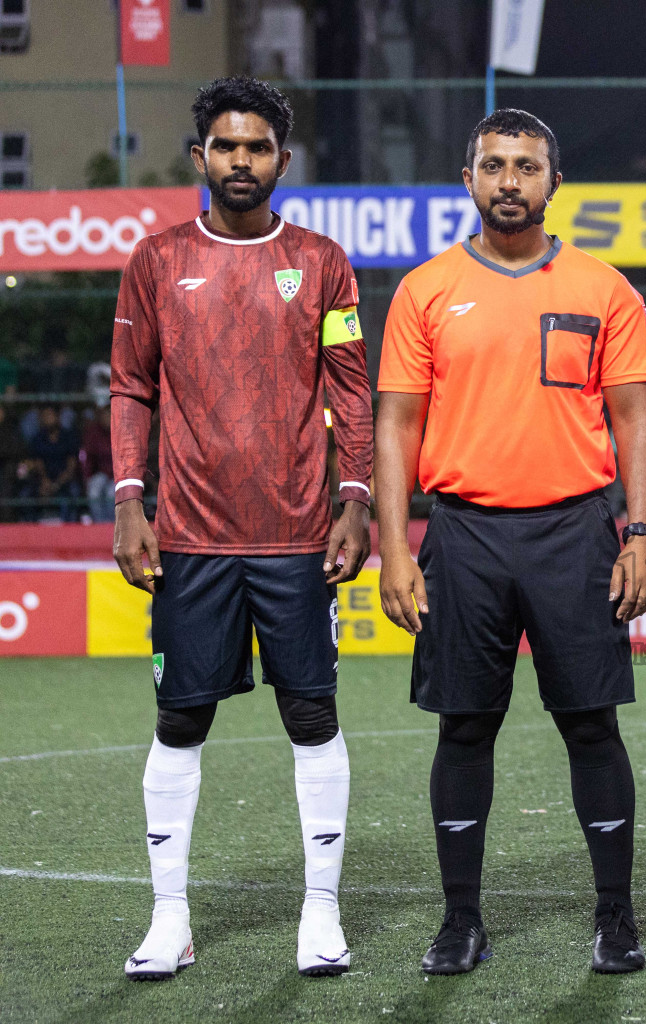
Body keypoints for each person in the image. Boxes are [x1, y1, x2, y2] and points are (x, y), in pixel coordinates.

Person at [376, 108, 646, 977]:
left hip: (575, 531)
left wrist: (641, 532)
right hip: (463, 535)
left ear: (553, 181)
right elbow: (395, 424)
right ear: (469, 180)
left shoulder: (604, 289)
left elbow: (635, 420)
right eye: (494, 165)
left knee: (590, 725)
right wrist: (395, 547)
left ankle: (615, 914)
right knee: (464, 727)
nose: (510, 180)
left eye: (527, 166)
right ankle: (461, 919)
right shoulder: (425, 291)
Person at [111, 76, 373, 980]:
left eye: (257, 147)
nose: (241, 162)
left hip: (297, 534)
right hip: (187, 537)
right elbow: (132, 387)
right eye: (226, 147)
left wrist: (356, 499)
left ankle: (321, 913)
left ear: (282, 161)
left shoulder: (324, 262)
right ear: (200, 158)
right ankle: (169, 919)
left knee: (312, 713)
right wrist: (128, 501)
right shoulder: (154, 261)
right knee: (179, 719)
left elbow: (349, 388)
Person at [20, 404, 80, 520]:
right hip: (43, 481)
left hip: (64, 481)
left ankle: (69, 531)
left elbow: (71, 466)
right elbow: (37, 463)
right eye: (45, 416)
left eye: (50, 415)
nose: (48, 419)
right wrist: (45, 481)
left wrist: (56, 484)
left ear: (57, 416)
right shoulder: (38, 438)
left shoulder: (68, 437)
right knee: (25, 495)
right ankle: (30, 531)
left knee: (73, 494)